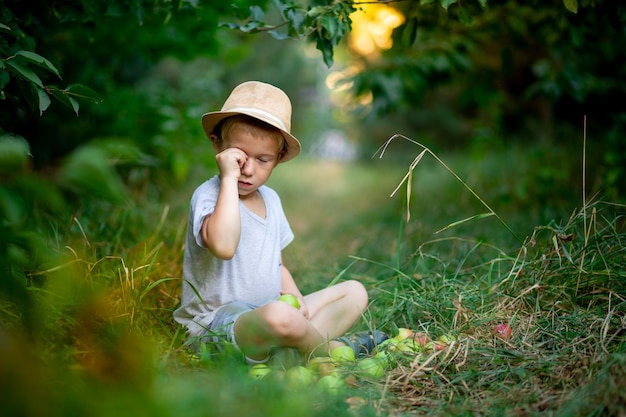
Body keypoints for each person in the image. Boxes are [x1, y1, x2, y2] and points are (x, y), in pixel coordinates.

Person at [173, 81, 387, 364]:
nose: (248, 170)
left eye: (262, 160)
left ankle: (287, 352)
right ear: (218, 146)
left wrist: (295, 295)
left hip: (272, 315)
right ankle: (331, 352)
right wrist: (227, 178)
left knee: (353, 292)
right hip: (217, 327)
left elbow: (276, 263)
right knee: (280, 317)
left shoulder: (271, 200)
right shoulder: (210, 195)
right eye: (239, 157)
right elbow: (223, 246)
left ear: (279, 159)